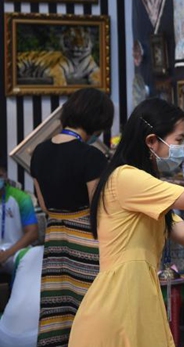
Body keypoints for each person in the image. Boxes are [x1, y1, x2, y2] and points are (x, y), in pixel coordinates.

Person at [68, 98, 184, 346]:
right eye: (179, 139)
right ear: (151, 141)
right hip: (119, 304)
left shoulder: (142, 185)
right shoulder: (125, 178)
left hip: (138, 299)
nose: (181, 148)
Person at [30, 87, 114, 347]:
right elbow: (98, 208)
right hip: (86, 244)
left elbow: (45, 206)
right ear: (97, 120)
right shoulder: (91, 156)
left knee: (58, 310)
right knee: (90, 311)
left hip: (55, 241)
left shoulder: (39, 152)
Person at [0, 164, 43, 347]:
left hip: (15, 252)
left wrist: (6, 254)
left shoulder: (20, 198)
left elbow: (32, 233)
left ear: (4, 175)